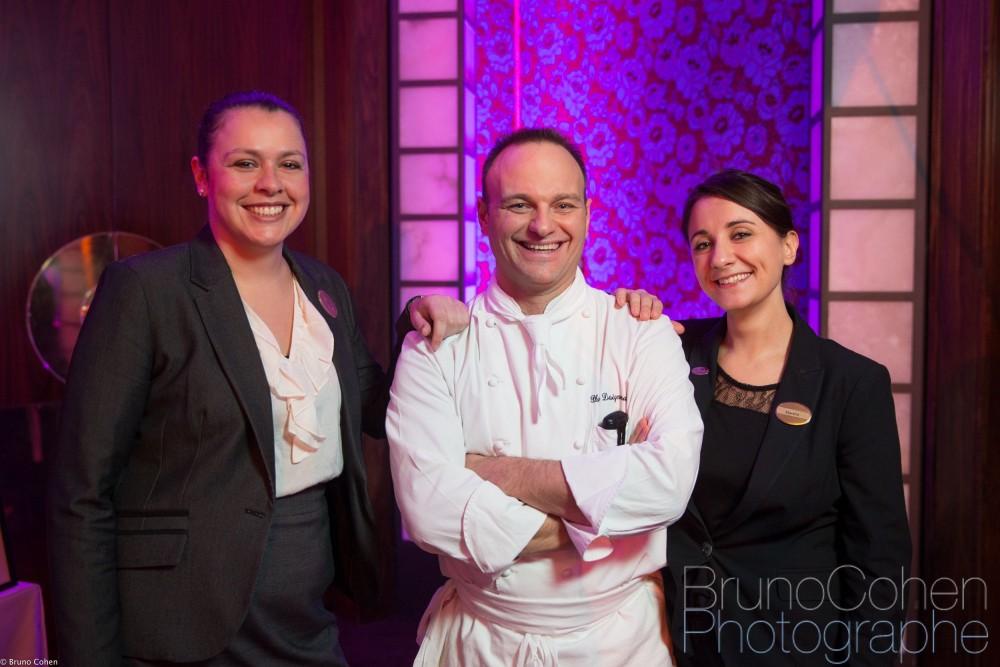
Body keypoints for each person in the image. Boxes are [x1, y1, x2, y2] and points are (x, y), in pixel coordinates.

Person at [46, 90, 469, 666]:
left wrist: (418, 321)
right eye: (245, 163)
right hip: (178, 625)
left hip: (308, 615)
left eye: (289, 164)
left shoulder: (324, 288)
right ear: (202, 176)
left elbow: (374, 404)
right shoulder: (145, 291)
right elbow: (80, 494)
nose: (271, 184)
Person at [386, 128, 704, 665]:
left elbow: (669, 483)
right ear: (484, 216)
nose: (542, 225)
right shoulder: (436, 345)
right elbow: (428, 511)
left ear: (587, 214)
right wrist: (603, 518)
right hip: (480, 641)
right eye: (519, 204)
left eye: (563, 204)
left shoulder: (640, 331)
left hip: (620, 643)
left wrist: (492, 472)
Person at [663, 169, 912, 666]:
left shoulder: (851, 383)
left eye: (740, 234)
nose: (721, 257)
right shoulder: (670, 353)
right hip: (676, 642)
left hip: (793, 647)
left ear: (789, 246)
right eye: (702, 243)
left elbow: (879, 557)